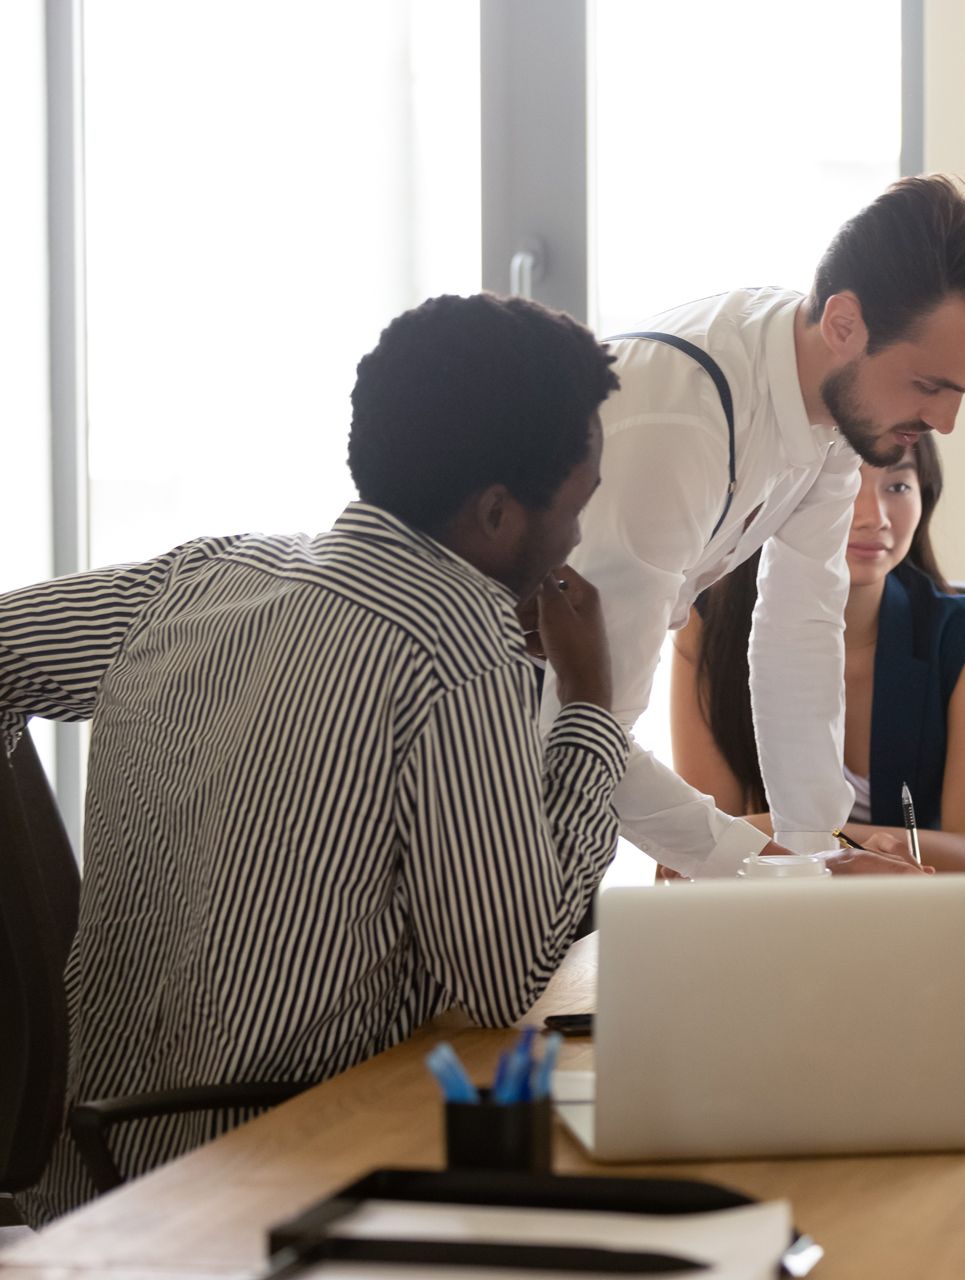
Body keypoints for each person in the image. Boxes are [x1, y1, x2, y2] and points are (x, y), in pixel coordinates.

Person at [2, 293, 627, 1223]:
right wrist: (590, 710)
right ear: (497, 513)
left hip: (83, 1188)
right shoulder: (454, 648)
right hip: (279, 1188)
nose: (579, 536)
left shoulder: (207, 573)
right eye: (578, 503)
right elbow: (503, 974)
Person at [546, 174, 965, 878]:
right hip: (460, 739)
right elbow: (588, 725)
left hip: (546, 752)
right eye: (929, 385)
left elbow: (800, 632)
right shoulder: (680, 426)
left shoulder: (836, 408)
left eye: (964, 392)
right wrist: (789, 872)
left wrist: (816, 853)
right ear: (844, 324)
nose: (944, 423)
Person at [672, 435, 965, 873]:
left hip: (910, 920)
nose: (874, 518)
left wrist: (796, 838)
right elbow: (703, 846)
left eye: (898, 487)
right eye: (845, 483)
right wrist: (860, 845)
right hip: (770, 917)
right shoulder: (706, 625)